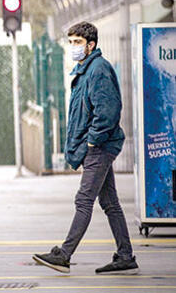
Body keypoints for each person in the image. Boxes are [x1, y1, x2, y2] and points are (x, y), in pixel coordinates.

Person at [33, 22, 138, 275]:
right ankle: (125, 256)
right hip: (98, 146)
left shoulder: (98, 69)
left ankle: (64, 255)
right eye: (70, 42)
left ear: (91, 45)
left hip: (100, 147)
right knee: (110, 202)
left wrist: (92, 141)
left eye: (78, 42)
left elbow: (108, 111)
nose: (73, 47)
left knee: (83, 199)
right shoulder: (85, 69)